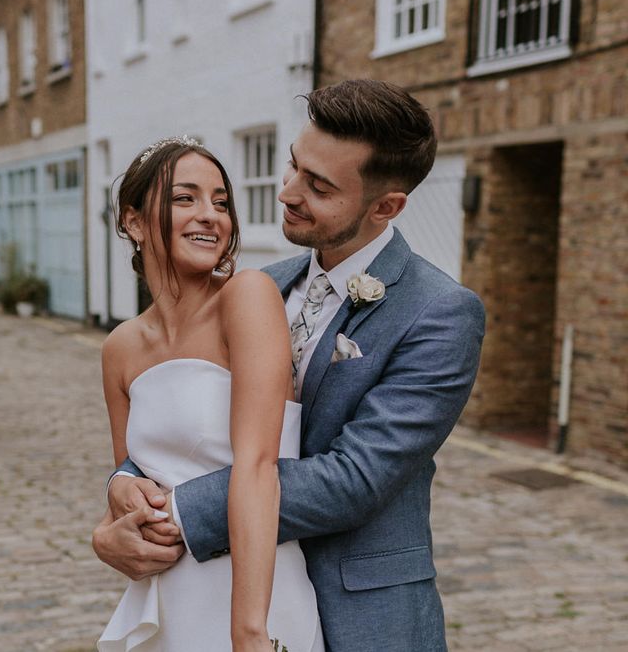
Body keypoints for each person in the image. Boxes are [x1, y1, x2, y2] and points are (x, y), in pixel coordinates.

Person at [94, 80, 485, 651]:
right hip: (216, 585)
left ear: (386, 207)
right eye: (294, 167)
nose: (288, 193)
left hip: (360, 610)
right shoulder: (260, 287)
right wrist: (120, 495)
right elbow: (180, 421)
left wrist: (176, 511)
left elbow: (355, 479)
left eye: (319, 186)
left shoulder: (441, 312)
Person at [95, 136, 325, 651]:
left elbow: (259, 467)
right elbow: (134, 480)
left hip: (253, 591)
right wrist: (112, 515)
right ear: (133, 222)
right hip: (166, 595)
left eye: (220, 202)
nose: (210, 216)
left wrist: (249, 632)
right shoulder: (120, 348)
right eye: (185, 199)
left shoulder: (246, 298)